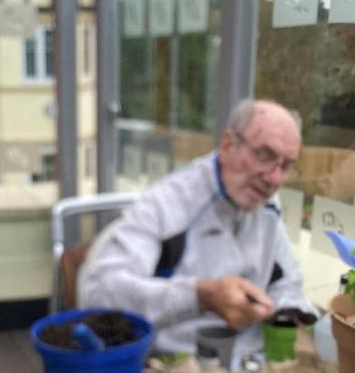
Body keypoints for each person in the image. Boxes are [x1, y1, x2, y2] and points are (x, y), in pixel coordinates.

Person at [79, 99, 318, 358]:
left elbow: (287, 280)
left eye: (285, 166)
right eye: (265, 155)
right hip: (172, 369)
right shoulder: (167, 203)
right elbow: (100, 295)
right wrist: (200, 296)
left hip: (250, 365)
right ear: (228, 144)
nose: (275, 179)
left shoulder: (266, 203)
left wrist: (288, 309)